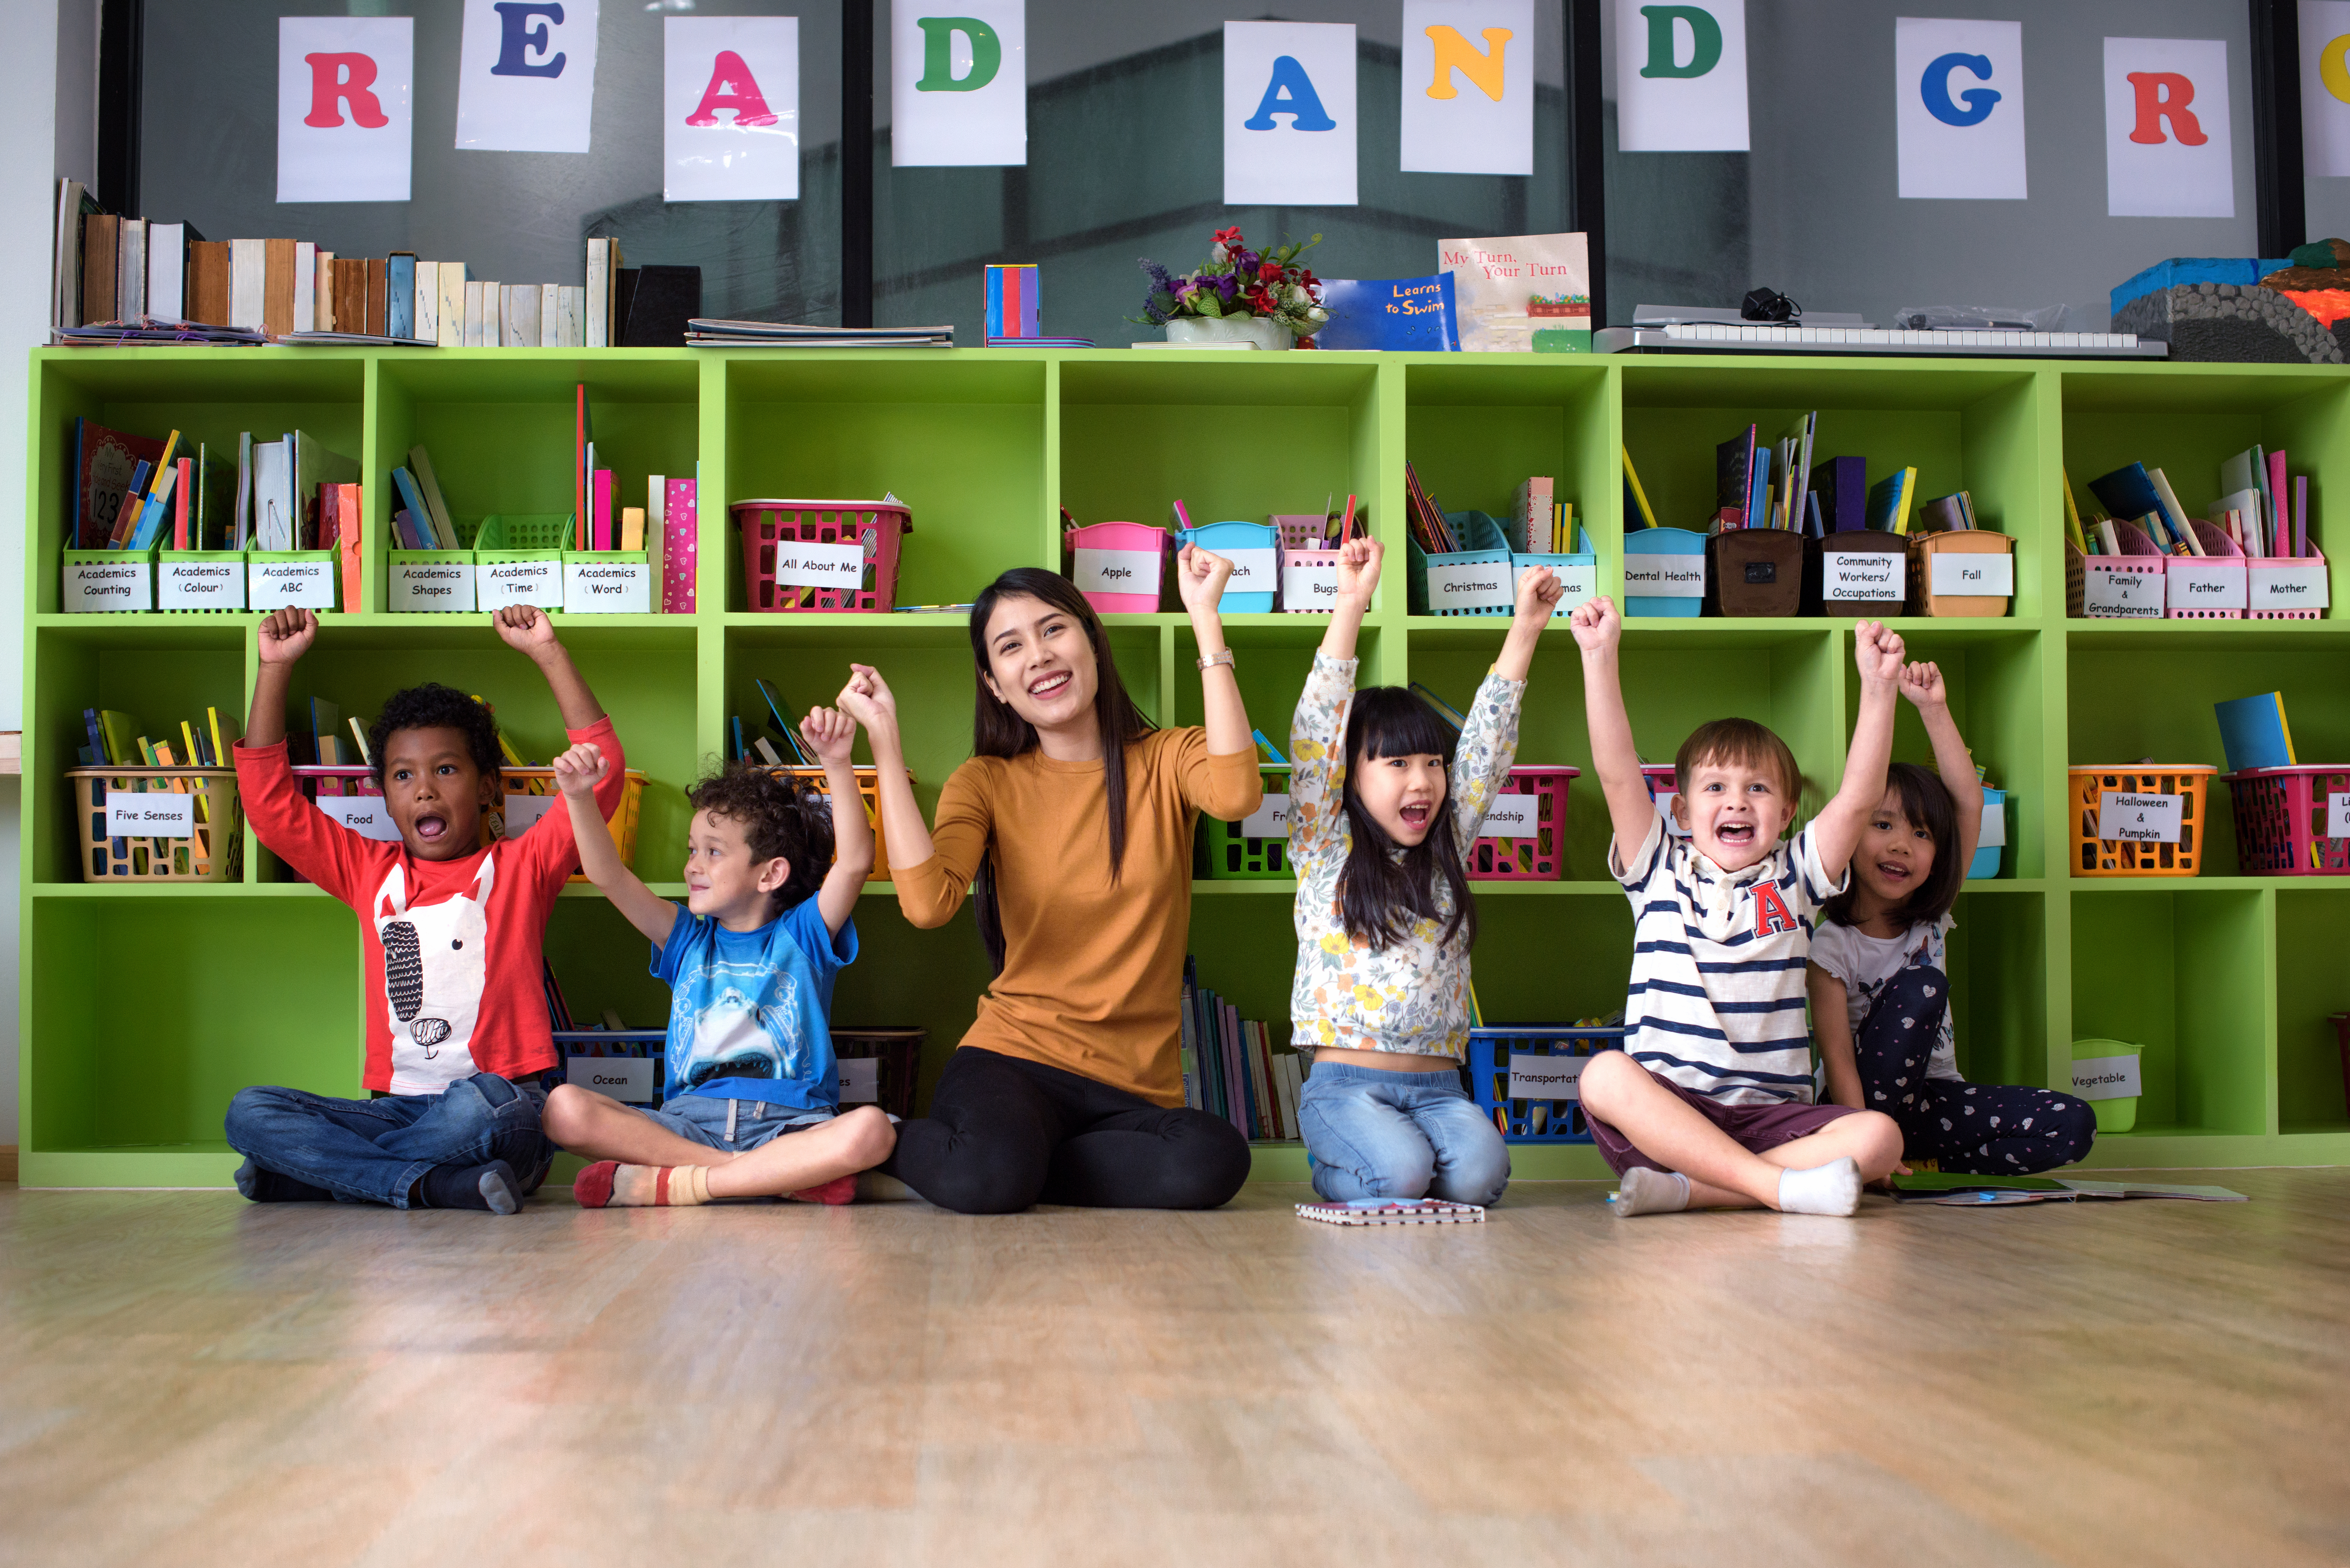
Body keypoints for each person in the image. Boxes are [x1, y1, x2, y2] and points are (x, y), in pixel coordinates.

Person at [835, 549, 1262, 1214]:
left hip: (1132, 1092)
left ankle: (1019, 1163)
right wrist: (884, 743)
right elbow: (926, 904)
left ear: (1092, 641)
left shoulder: (1166, 758)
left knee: (1212, 1161)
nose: (1037, 654)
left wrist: (1204, 620)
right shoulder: (985, 782)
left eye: (1053, 629)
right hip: (1014, 1062)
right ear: (995, 683)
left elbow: (1237, 795)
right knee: (986, 1185)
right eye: (1010, 647)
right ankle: (885, 1139)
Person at [223, 605, 628, 1214]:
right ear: (384, 794)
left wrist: (549, 652)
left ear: (488, 785)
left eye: (446, 770)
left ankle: (320, 1177)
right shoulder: (367, 870)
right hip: (396, 1106)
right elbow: (270, 808)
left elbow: (604, 776)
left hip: (501, 1106)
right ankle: (432, 1185)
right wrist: (273, 668)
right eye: (403, 775)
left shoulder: (522, 865)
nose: (425, 790)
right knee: (250, 1111)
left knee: (486, 1107)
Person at [1569, 597, 1907, 1217]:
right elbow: (1617, 773)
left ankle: (1692, 1191)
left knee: (1880, 1138)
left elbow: (1860, 798)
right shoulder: (1657, 869)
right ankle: (1775, 1189)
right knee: (1603, 1077)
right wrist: (1599, 657)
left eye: (1758, 789)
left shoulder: (1796, 877)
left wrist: (1879, 688)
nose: (1737, 803)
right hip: (1672, 1113)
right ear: (1680, 811)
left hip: (1773, 1117)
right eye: (1716, 788)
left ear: (1785, 816)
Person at [1287, 537, 1561, 1206]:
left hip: (1439, 1090)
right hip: (1345, 1087)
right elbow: (1317, 724)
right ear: (1348, 777)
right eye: (1397, 765)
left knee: (1480, 1177)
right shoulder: (1323, 842)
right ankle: (1343, 1170)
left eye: (1432, 764)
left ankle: (1385, 1169)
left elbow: (1487, 748)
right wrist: (1351, 602)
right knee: (1402, 1176)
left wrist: (1525, 625)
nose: (1423, 781)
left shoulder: (1448, 846)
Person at [542, 704, 896, 1208]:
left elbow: (856, 861)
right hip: (686, 1127)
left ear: (769, 875)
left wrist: (838, 762)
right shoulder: (686, 939)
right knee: (562, 1109)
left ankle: (681, 1185)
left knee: (870, 1130)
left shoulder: (803, 936)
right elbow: (609, 876)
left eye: (712, 852)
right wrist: (578, 796)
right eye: (692, 850)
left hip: (790, 1126)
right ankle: (765, 1178)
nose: (692, 866)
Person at [1808, 663, 2096, 1173]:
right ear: (1849, 837)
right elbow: (1836, 1055)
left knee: (2072, 1123)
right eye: (1882, 825)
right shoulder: (1833, 945)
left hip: (1932, 1103)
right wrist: (1855, 1147)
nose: (1902, 844)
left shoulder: (1932, 920)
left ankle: (1923, 1162)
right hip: (1850, 1108)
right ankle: (1879, 1155)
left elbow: (1969, 804)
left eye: (1922, 835)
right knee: (1922, 987)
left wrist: (1933, 709)